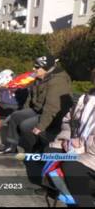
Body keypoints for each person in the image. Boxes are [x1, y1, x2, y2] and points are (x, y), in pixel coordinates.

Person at [0, 55, 73, 155]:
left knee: (25, 125)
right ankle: (11, 147)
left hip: (55, 116)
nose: (33, 69)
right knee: (15, 116)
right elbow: (31, 97)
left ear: (45, 69)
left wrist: (41, 126)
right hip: (39, 109)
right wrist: (23, 111)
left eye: (37, 67)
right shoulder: (40, 77)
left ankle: (39, 148)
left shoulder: (57, 82)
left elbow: (52, 108)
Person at [59, 68, 95, 207]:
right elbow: (68, 120)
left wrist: (79, 147)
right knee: (51, 153)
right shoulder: (85, 98)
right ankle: (56, 190)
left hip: (89, 154)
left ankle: (84, 203)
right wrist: (67, 138)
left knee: (70, 166)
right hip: (78, 146)